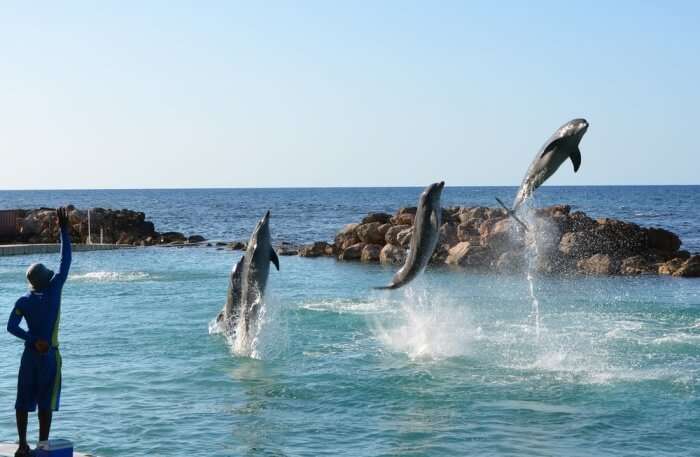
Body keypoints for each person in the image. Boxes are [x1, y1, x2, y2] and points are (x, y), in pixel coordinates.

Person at [7, 207, 72, 457]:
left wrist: (32, 340)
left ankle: (22, 445)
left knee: (23, 400)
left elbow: (11, 327)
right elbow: (65, 260)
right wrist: (63, 231)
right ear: (46, 279)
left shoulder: (23, 300)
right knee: (45, 403)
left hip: (29, 355)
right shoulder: (54, 291)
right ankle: (42, 447)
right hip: (49, 357)